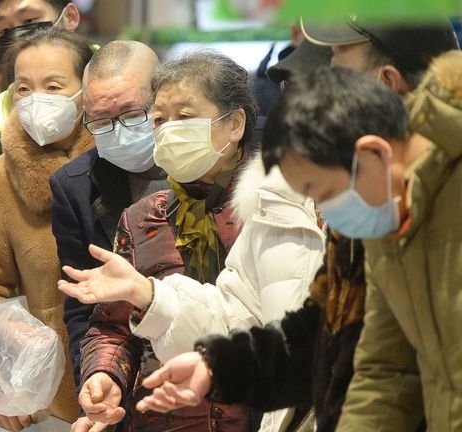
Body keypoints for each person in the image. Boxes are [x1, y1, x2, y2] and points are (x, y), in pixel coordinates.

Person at [134, 31, 461, 432]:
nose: (330, 217)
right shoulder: (371, 202)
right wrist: (221, 365)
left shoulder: (392, 195)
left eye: (339, 54)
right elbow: (371, 359)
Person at [67, 51, 311, 432]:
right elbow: (114, 326)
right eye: (159, 119)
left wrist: (153, 299)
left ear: (235, 123)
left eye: (184, 117)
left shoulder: (277, 206)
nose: (167, 130)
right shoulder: (142, 217)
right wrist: (105, 378)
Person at [0, 28, 94, 431]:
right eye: (23, 89)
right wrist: (11, 350)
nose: (37, 101)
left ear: (86, 91)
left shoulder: (120, 161)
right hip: (54, 407)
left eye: (53, 86)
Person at [48, 39, 166, 401]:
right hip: (134, 369)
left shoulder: (212, 158)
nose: (118, 132)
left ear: (161, 98)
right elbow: (85, 305)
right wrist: (96, 380)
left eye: (132, 115)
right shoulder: (75, 187)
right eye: (100, 122)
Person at [0, 0, 82, 259]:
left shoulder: (119, 102)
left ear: (69, 16)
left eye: (29, 21)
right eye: (4, 30)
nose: (18, 35)